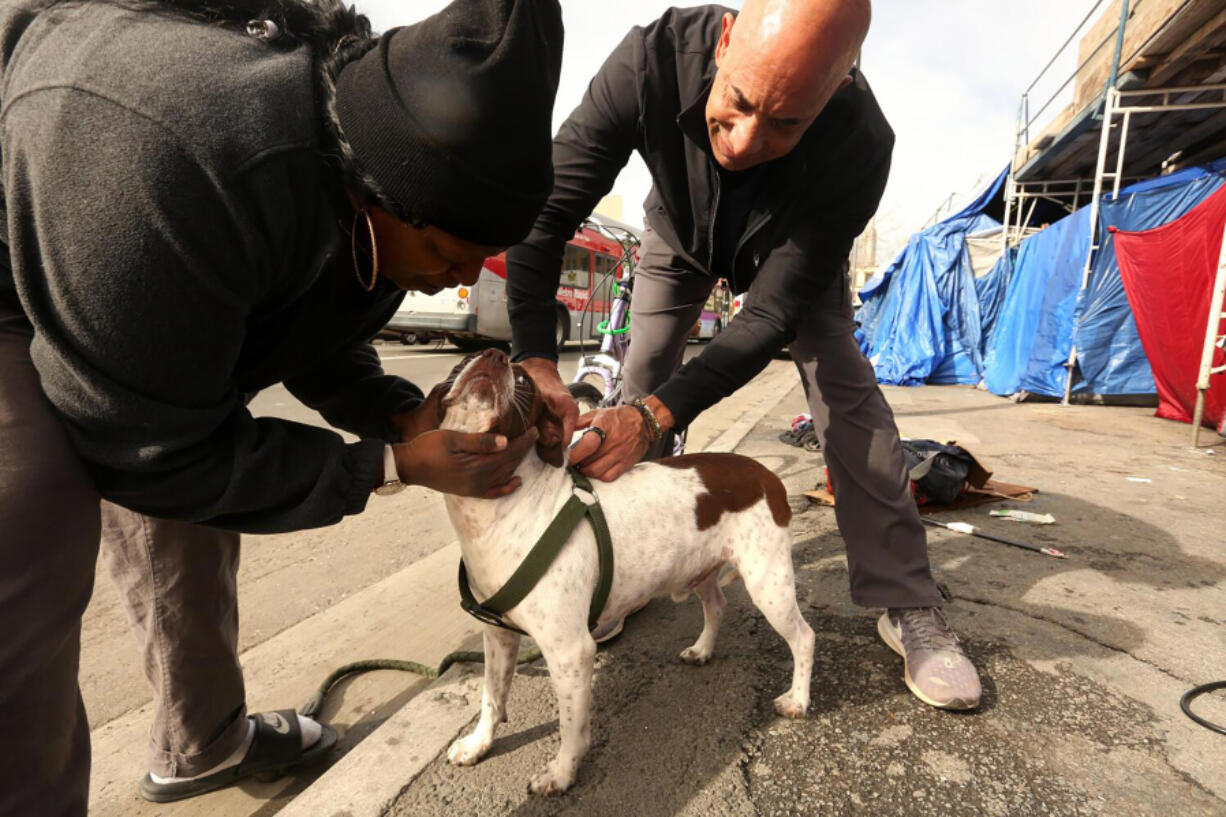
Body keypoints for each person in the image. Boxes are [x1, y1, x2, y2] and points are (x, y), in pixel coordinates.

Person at [0, 0, 564, 813]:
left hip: (136, 271)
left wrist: (401, 413)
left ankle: (203, 742)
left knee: (197, 513)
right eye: (448, 253)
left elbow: (314, 329)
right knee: (30, 547)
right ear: (373, 194)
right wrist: (388, 465)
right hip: (40, 223)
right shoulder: (180, 157)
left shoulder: (365, 180)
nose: (464, 280)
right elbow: (148, 453)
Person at [506, 0, 983, 712]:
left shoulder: (860, 143)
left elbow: (768, 316)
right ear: (727, 39)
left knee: (844, 393)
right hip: (681, 232)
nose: (744, 141)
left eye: (786, 122)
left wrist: (661, 415)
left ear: (839, 87)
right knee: (640, 376)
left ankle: (907, 596)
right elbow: (543, 213)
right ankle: (622, 572)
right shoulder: (648, 62)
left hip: (791, 259)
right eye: (738, 103)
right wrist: (537, 356)